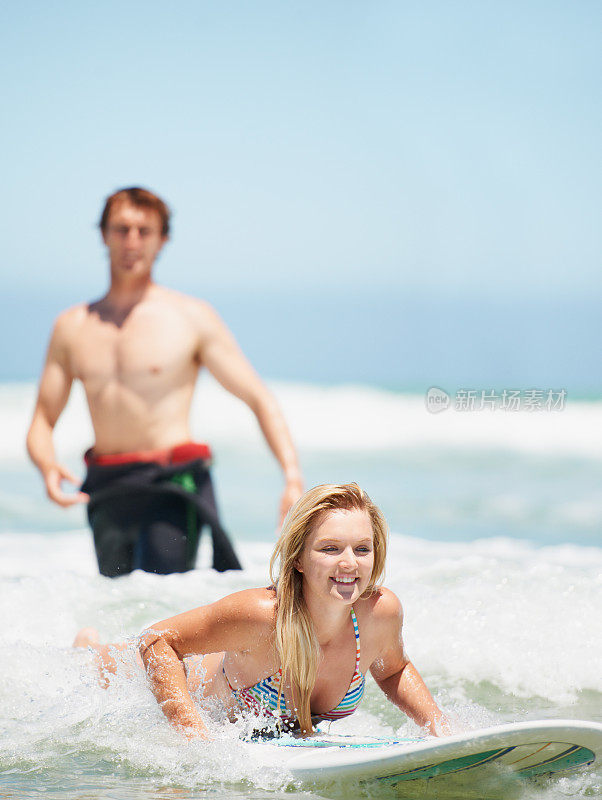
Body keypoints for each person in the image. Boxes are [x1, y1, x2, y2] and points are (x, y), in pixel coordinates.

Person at [26, 187, 303, 577]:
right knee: (121, 604)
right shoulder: (72, 327)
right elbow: (42, 417)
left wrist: (292, 475)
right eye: (121, 229)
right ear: (103, 235)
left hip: (173, 484)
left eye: (144, 230)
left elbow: (257, 397)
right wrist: (46, 464)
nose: (132, 241)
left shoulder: (191, 318)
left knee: (161, 602)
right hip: (107, 487)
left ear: (162, 240)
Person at [74, 484, 449, 738]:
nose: (349, 563)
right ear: (299, 559)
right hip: (181, 677)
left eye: (362, 549)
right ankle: (87, 647)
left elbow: (394, 669)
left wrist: (439, 729)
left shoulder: (379, 614)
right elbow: (156, 642)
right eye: (331, 549)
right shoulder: (262, 616)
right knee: (96, 666)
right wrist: (192, 738)